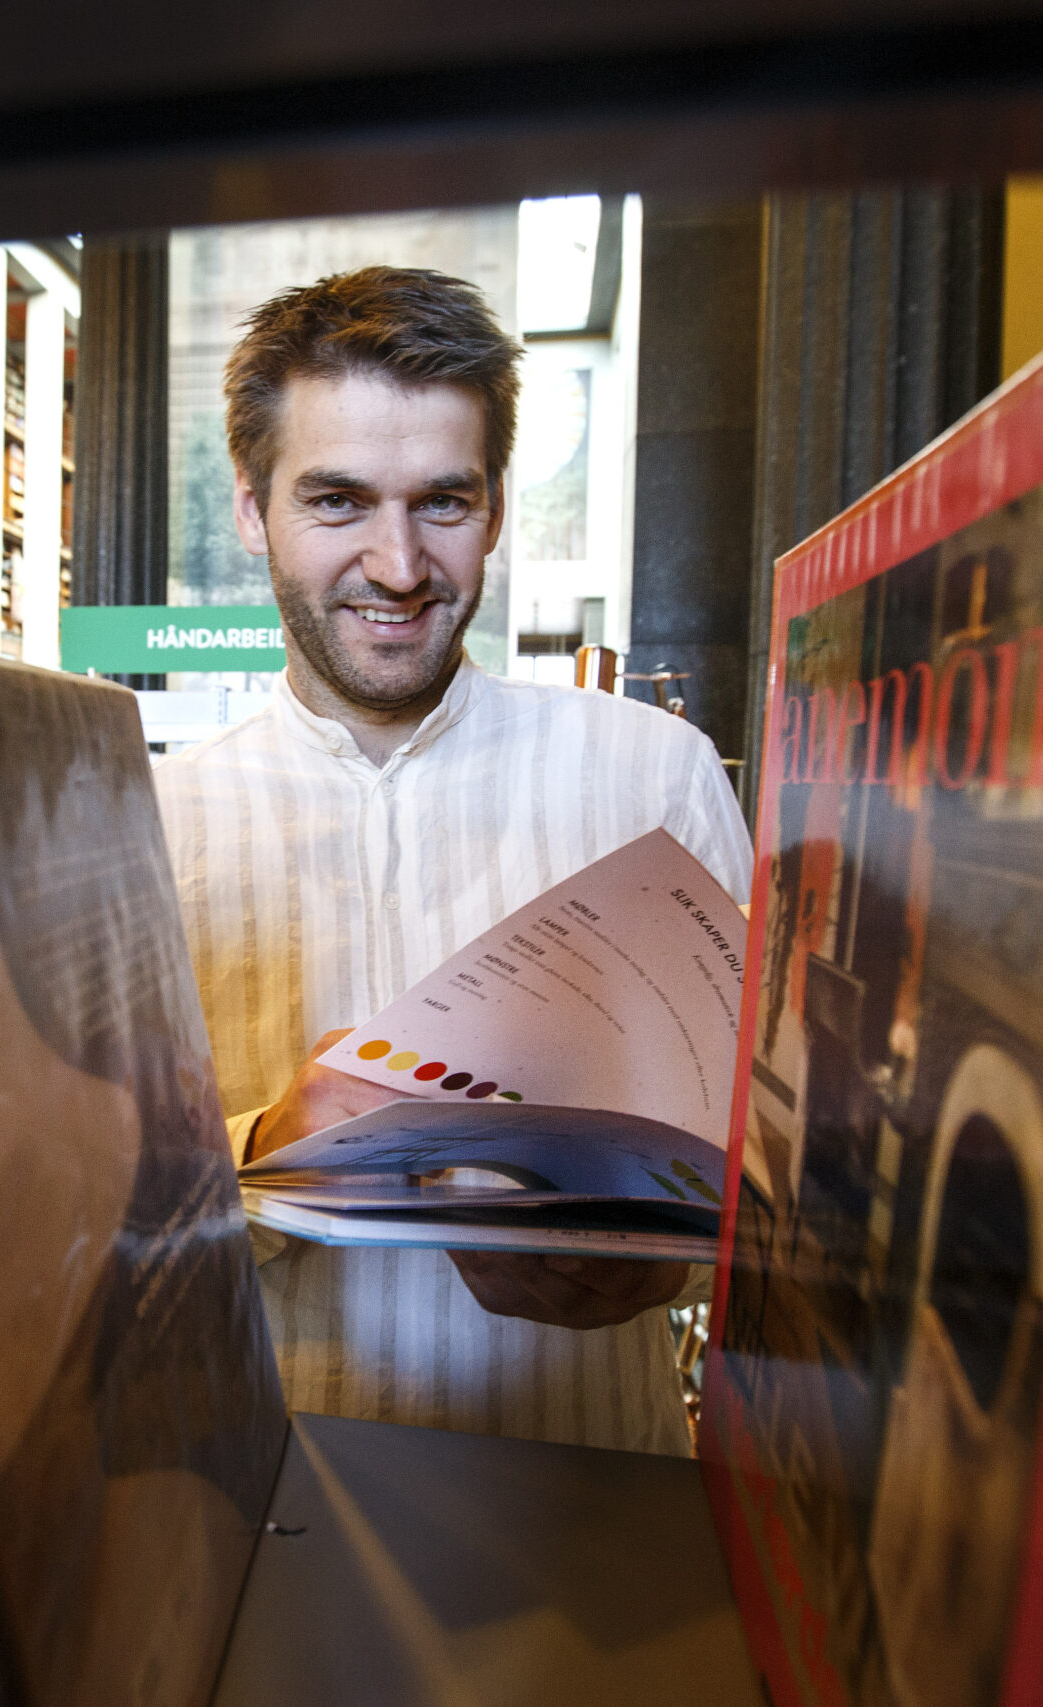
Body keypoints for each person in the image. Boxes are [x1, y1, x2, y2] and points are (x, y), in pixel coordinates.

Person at [153, 266, 753, 1456]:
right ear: (248, 510)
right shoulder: (153, 819)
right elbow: (76, 1208)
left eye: (442, 502)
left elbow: (774, 1166)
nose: (397, 566)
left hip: (590, 1501)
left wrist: (673, 1266)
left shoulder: (656, 776)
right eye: (336, 503)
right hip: (256, 1501)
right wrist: (262, 1156)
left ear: (495, 505)